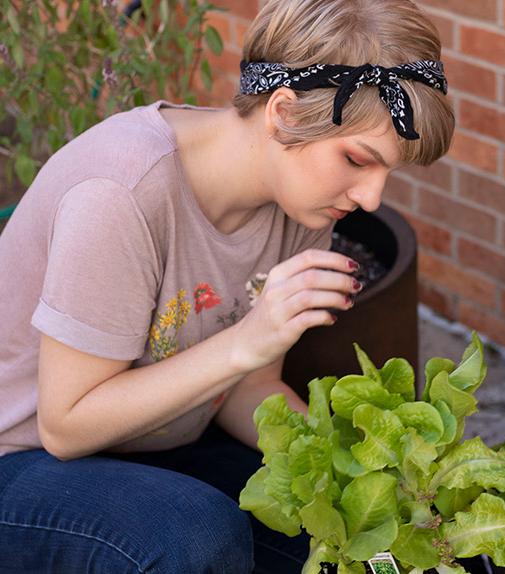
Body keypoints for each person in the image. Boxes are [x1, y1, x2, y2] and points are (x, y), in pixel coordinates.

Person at [0, 0, 454, 572]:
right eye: (358, 160)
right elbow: (65, 426)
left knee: (362, 543)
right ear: (283, 112)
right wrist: (246, 340)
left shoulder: (303, 205)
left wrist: (363, 477)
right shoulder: (118, 194)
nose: (370, 198)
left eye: (389, 171)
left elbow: (245, 390)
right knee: (193, 536)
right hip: (22, 459)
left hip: (159, 444)